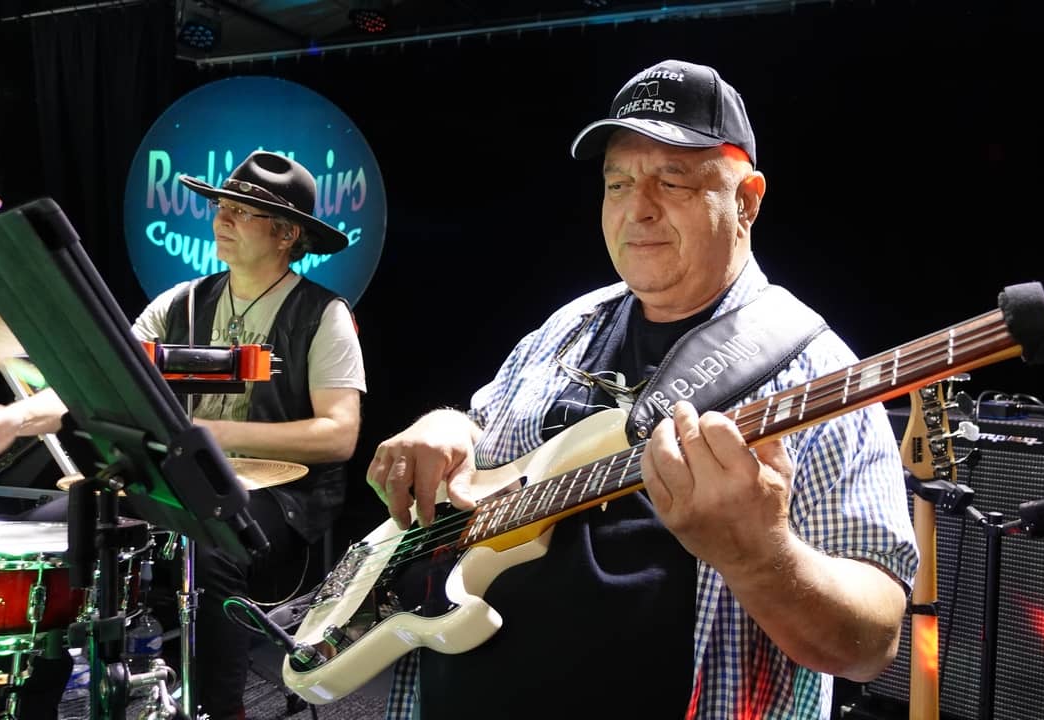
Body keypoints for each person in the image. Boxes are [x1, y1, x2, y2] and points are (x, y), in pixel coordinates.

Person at [364, 59, 918, 719]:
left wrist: (763, 557)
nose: (638, 208)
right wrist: (446, 425)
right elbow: (481, 439)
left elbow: (871, 644)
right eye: (618, 182)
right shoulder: (565, 328)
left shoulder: (819, 376)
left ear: (746, 202)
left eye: (672, 179)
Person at [0, 150, 367, 720]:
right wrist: (15, 419)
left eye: (241, 211)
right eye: (221, 206)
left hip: (281, 507)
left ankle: (222, 710)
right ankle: (31, 705)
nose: (221, 218)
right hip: (178, 483)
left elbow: (339, 437)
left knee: (210, 541)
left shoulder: (323, 314)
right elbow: (96, 375)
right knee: (60, 528)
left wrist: (203, 431)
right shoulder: (182, 301)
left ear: (288, 233)